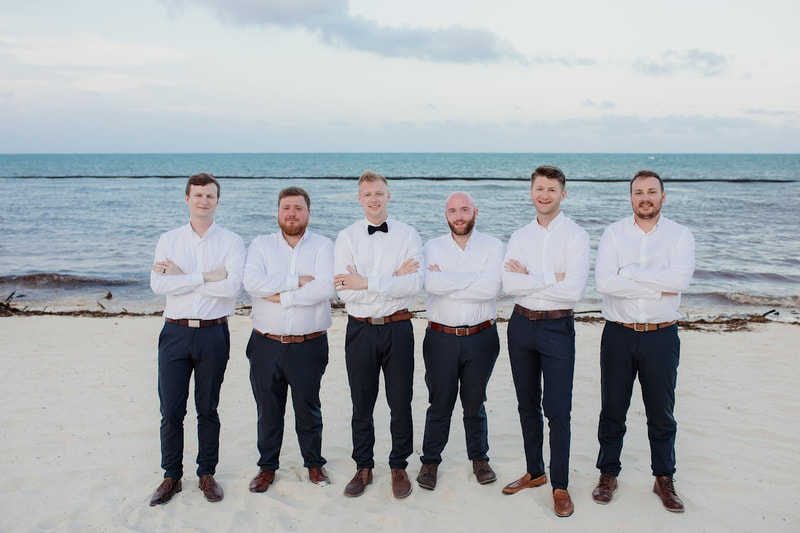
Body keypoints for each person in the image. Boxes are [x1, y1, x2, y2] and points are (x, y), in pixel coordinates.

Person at [592, 170, 695, 513]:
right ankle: (608, 473)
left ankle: (663, 477)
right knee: (612, 408)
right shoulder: (614, 233)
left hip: (661, 336)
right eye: (639, 192)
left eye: (652, 192)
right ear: (631, 197)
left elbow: (679, 281)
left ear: (663, 196)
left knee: (661, 412)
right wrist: (655, 287)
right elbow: (604, 283)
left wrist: (630, 273)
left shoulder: (680, 235)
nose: (645, 198)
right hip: (618, 333)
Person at [148, 172, 246, 506]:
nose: (204, 201)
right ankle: (171, 476)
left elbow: (231, 289)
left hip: (213, 333)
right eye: (198, 195)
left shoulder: (231, 241)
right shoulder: (169, 239)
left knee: (208, 408)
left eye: (210, 196)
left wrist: (183, 278)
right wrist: (206, 277)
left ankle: (206, 474)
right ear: (187, 199)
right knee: (171, 410)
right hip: (174, 332)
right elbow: (158, 285)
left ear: (217, 201)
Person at [500, 165, 590, 518]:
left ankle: (560, 485)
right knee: (527, 404)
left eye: (552, 189)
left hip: (556, 327)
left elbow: (574, 291)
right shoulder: (520, 236)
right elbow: (509, 285)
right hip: (520, 325)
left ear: (562, 194)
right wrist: (553, 277)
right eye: (539, 188)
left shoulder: (576, 236)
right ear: (531, 192)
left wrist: (532, 279)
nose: (545, 195)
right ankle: (535, 472)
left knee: (558, 410)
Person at [334, 169, 423, 499]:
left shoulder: (409, 235)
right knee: (362, 402)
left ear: (389, 196)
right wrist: (391, 279)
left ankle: (399, 465)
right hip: (359, 329)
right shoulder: (346, 237)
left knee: (400, 401)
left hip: (398, 327)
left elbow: (414, 285)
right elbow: (344, 291)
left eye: (379, 193)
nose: (374, 199)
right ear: (360, 199)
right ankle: (364, 466)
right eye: (368, 194)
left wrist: (367, 281)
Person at [242, 187, 335, 493]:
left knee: (309, 407)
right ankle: (267, 467)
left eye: (298, 208)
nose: (292, 213)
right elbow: (252, 282)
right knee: (268, 410)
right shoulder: (261, 244)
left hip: (309, 344)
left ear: (308, 212)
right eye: (286, 208)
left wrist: (279, 297)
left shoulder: (323, 245)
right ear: (278, 212)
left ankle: (314, 464)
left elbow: (324, 287)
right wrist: (296, 282)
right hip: (265, 343)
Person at [416, 192, 504, 491]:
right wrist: (473, 277)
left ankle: (479, 459)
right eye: (453, 211)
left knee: (475, 402)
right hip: (440, 338)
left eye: (465, 210)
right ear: (446, 215)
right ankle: (430, 461)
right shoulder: (431, 247)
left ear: (475, 212)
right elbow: (430, 283)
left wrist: (449, 280)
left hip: (482, 337)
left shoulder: (493, 246)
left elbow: (491, 289)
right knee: (439, 403)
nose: (459, 216)